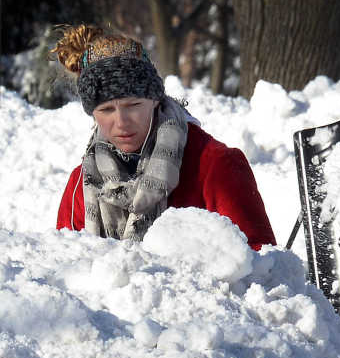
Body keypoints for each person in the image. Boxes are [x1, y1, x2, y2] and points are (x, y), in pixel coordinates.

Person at [52, 25, 276, 250]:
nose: (121, 122)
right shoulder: (82, 184)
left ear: (156, 99)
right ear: (92, 114)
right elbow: (68, 266)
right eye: (107, 109)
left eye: (134, 105)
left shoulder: (215, 165)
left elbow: (264, 265)